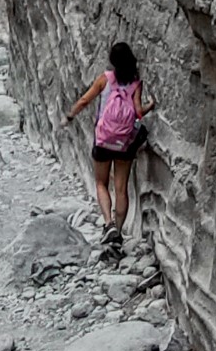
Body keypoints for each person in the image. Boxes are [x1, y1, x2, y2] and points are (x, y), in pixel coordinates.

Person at [65, 41, 154, 244]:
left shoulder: (105, 79)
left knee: (101, 183)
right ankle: (119, 232)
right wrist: (151, 105)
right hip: (124, 143)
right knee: (121, 188)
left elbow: (84, 100)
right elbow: (139, 113)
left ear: (112, 61)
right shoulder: (135, 84)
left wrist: (70, 116)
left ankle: (108, 224)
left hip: (103, 141)